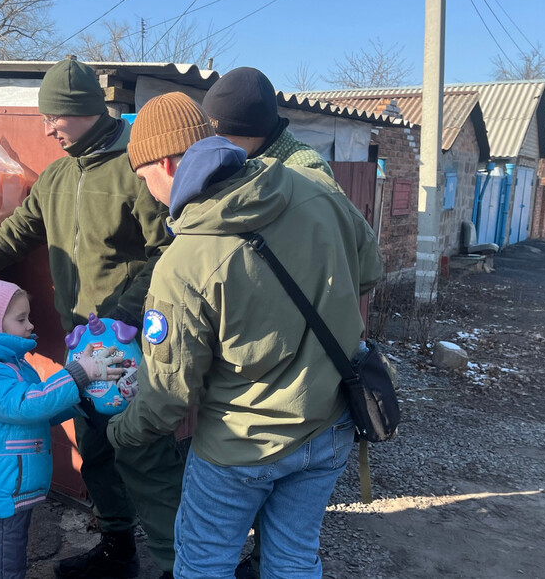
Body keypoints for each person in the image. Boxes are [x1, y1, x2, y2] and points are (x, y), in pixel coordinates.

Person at [108, 92, 383, 579]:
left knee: (204, 564)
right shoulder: (314, 190)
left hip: (241, 444)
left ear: (167, 163)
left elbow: (169, 396)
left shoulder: (185, 260)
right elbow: (368, 271)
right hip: (331, 423)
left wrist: (120, 431)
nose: (147, 189)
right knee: (295, 558)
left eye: (143, 174)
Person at [0, 57, 183, 579]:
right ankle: (118, 550)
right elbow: (13, 236)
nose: (48, 127)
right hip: (80, 347)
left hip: (126, 343)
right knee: (95, 450)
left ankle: (179, 565)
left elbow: (167, 252)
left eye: (55, 115)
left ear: (83, 109)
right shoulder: (56, 177)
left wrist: (124, 314)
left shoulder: (135, 169)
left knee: (143, 454)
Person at [204, 65, 336, 579]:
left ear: (246, 130)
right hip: (280, 358)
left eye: (219, 130)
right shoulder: (252, 155)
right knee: (292, 541)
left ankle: (262, 564)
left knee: (232, 536)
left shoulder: (305, 170)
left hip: (290, 361)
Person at [0, 276, 125, 579]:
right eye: (21, 318)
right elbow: (26, 405)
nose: (31, 325)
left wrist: (82, 399)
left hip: (8, 490)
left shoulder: (12, 365)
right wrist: (77, 376)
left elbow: (37, 410)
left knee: (6, 565)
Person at [202, 66, 335, 179]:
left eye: (223, 135)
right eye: (211, 132)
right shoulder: (235, 157)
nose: (214, 141)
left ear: (252, 132)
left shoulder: (306, 170)